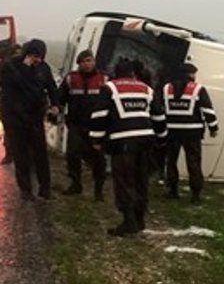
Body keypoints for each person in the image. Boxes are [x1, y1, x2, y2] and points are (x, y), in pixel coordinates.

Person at [89, 59, 166, 236]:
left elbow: (99, 116)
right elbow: (158, 115)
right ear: (133, 73)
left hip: (121, 143)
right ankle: (140, 220)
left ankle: (128, 222)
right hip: (145, 142)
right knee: (141, 181)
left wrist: (96, 140)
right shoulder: (146, 88)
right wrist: (161, 139)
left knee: (124, 182)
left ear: (116, 73)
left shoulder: (109, 88)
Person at [0, 39, 59, 200]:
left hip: (34, 116)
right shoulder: (9, 67)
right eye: (34, 56)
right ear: (27, 54)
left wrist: (55, 104)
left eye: (40, 57)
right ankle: (25, 190)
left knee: (40, 153)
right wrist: (25, 69)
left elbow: (51, 87)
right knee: (21, 154)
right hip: (14, 118)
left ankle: (45, 189)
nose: (37, 60)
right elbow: (9, 85)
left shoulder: (43, 68)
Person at [162, 63, 218, 205]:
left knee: (171, 161)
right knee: (193, 162)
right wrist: (213, 127)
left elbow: (161, 108)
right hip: (192, 132)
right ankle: (195, 194)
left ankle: (173, 190)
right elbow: (207, 110)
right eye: (194, 73)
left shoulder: (167, 88)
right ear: (190, 74)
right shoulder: (198, 89)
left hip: (172, 131)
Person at [58, 50, 108, 200]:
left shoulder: (104, 79)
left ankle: (98, 191)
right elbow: (60, 99)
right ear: (79, 63)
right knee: (72, 154)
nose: (87, 64)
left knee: (98, 158)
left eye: (90, 60)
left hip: (97, 126)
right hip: (76, 124)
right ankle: (75, 183)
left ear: (94, 61)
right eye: (84, 61)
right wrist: (56, 110)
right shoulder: (70, 79)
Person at [0, 43, 22, 165]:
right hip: (8, 104)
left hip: (23, 106)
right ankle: (9, 154)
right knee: (9, 131)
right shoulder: (5, 67)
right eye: (15, 54)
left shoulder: (27, 68)